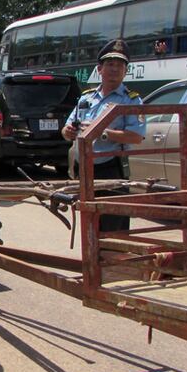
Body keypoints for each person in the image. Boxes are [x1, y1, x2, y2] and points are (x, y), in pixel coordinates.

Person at [61, 39, 145, 232]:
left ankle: (112, 253)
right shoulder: (87, 97)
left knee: (113, 225)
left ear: (125, 71)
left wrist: (104, 133)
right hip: (85, 168)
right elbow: (66, 130)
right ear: (99, 69)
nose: (114, 69)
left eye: (119, 66)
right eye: (110, 64)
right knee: (90, 223)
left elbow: (136, 136)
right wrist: (68, 132)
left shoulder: (131, 100)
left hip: (111, 168)